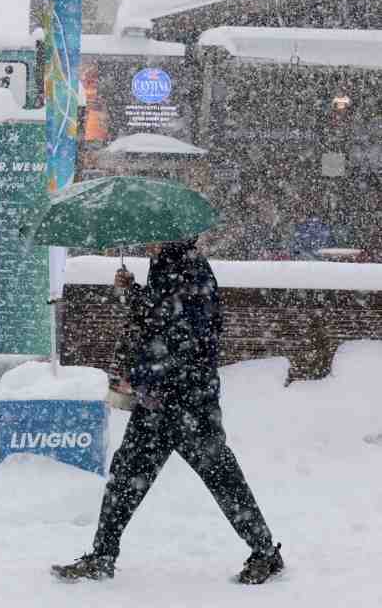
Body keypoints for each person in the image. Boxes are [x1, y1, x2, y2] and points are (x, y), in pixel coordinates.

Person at [52, 239, 284, 585]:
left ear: (171, 237)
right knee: (127, 473)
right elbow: (160, 317)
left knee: (221, 477)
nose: (147, 241)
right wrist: (133, 292)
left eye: (153, 235)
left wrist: (141, 376)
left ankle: (266, 553)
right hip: (159, 401)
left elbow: (186, 337)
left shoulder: (192, 271)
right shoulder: (165, 267)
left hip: (190, 401)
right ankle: (102, 556)